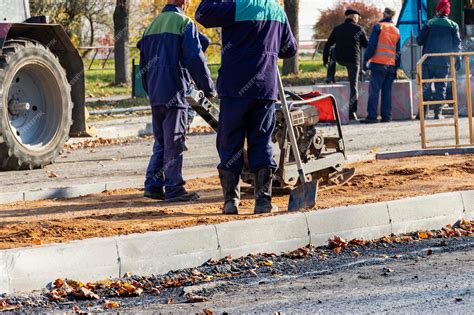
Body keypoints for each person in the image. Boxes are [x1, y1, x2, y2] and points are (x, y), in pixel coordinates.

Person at [196, 0, 297, 215]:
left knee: (230, 141)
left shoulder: (238, 6)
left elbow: (202, 13)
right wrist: (268, 46)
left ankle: (231, 201)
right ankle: (263, 201)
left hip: (235, 86)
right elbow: (290, 48)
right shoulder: (277, 10)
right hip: (265, 88)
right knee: (261, 141)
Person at [138, 0, 216, 202]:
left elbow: (143, 64)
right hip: (176, 91)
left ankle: (153, 185)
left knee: (162, 141)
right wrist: (208, 88)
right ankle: (174, 189)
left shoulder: (152, 25)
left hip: (156, 93)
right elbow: (195, 58)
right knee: (174, 141)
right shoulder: (185, 23)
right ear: (185, 2)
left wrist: (151, 90)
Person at [416, 0, 462, 120]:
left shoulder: (429, 23)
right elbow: (457, 45)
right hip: (444, 62)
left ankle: (422, 113)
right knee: (441, 88)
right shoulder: (453, 25)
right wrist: (458, 59)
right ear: (448, 11)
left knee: (425, 86)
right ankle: (437, 113)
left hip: (427, 61)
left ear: (438, 9)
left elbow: (419, 40)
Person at [323, 9, 368, 121]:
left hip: (339, 58)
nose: (358, 20)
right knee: (354, 86)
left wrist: (325, 61)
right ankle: (352, 113)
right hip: (353, 60)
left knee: (333, 51)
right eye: (358, 17)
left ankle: (330, 76)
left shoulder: (338, 29)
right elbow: (366, 44)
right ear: (353, 17)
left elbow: (328, 45)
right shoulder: (359, 29)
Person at [361, 8, 400, 124]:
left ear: (384, 14)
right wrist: (396, 67)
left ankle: (372, 116)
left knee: (374, 91)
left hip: (378, 64)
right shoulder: (396, 30)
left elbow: (372, 45)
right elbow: (398, 52)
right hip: (391, 66)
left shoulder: (379, 27)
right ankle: (386, 116)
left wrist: (365, 60)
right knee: (386, 92)